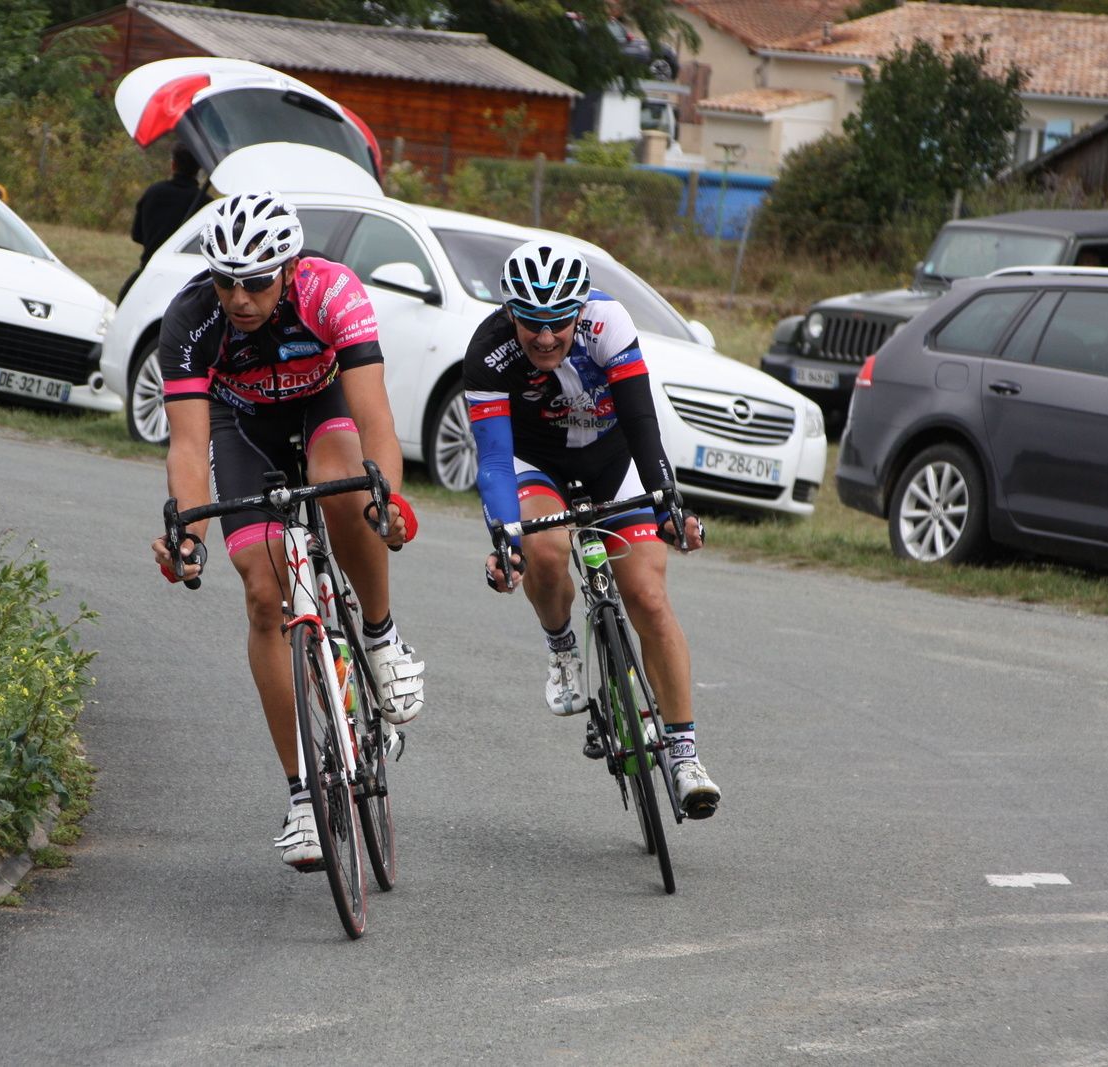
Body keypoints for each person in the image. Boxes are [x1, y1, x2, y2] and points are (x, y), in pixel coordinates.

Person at [151, 191, 426, 868]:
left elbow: (376, 418)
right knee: (261, 591)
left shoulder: (332, 292)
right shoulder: (190, 320)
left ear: (289, 267)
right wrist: (189, 537)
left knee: (346, 489)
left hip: (321, 406)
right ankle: (303, 795)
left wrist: (385, 496)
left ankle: (381, 637)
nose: (238, 297)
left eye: (255, 281)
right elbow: (187, 447)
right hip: (240, 426)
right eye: (225, 281)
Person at [462, 238, 720, 820]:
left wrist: (667, 507)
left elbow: (640, 420)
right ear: (511, 313)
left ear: (580, 310)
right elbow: (497, 460)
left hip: (614, 459)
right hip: (537, 465)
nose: (546, 337)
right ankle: (562, 650)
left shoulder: (609, 322)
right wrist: (504, 542)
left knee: (649, 598)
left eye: (558, 322)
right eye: (531, 322)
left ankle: (684, 754)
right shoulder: (488, 351)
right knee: (545, 551)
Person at [119, 143, 204, 302]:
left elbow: (137, 235)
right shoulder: (205, 204)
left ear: (173, 165)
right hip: (188, 281)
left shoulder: (153, 192)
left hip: (148, 273)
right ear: (199, 169)